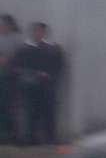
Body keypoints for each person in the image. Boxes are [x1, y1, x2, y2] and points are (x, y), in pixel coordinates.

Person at [13, 21, 65, 145]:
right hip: (31, 86)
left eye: (41, 31)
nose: (39, 33)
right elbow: (18, 66)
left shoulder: (52, 49)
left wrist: (50, 75)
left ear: (45, 33)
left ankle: (50, 138)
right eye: (37, 31)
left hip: (47, 86)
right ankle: (31, 138)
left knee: (49, 113)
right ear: (33, 33)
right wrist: (34, 74)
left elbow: (58, 65)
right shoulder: (25, 49)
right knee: (32, 112)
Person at [0, 15, 19, 144]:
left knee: (7, 107)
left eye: (4, 25)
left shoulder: (15, 40)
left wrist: (8, 59)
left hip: (9, 78)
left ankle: (9, 135)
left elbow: (17, 57)